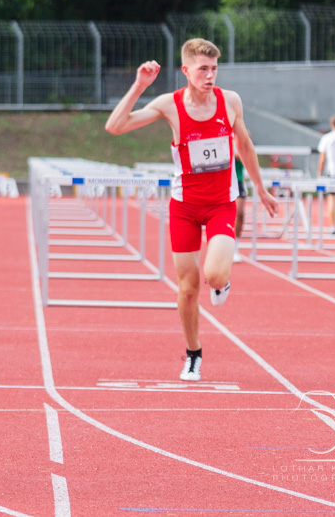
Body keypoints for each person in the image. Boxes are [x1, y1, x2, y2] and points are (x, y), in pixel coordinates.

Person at [105, 39, 279, 382]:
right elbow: (115, 126)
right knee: (187, 288)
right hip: (184, 207)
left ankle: (222, 283)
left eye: (214, 69)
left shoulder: (230, 101)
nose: (209, 76)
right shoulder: (169, 104)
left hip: (221, 204)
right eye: (202, 69)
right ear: (186, 71)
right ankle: (193, 354)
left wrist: (260, 188)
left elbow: (244, 144)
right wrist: (139, 85)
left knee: (214, 276)